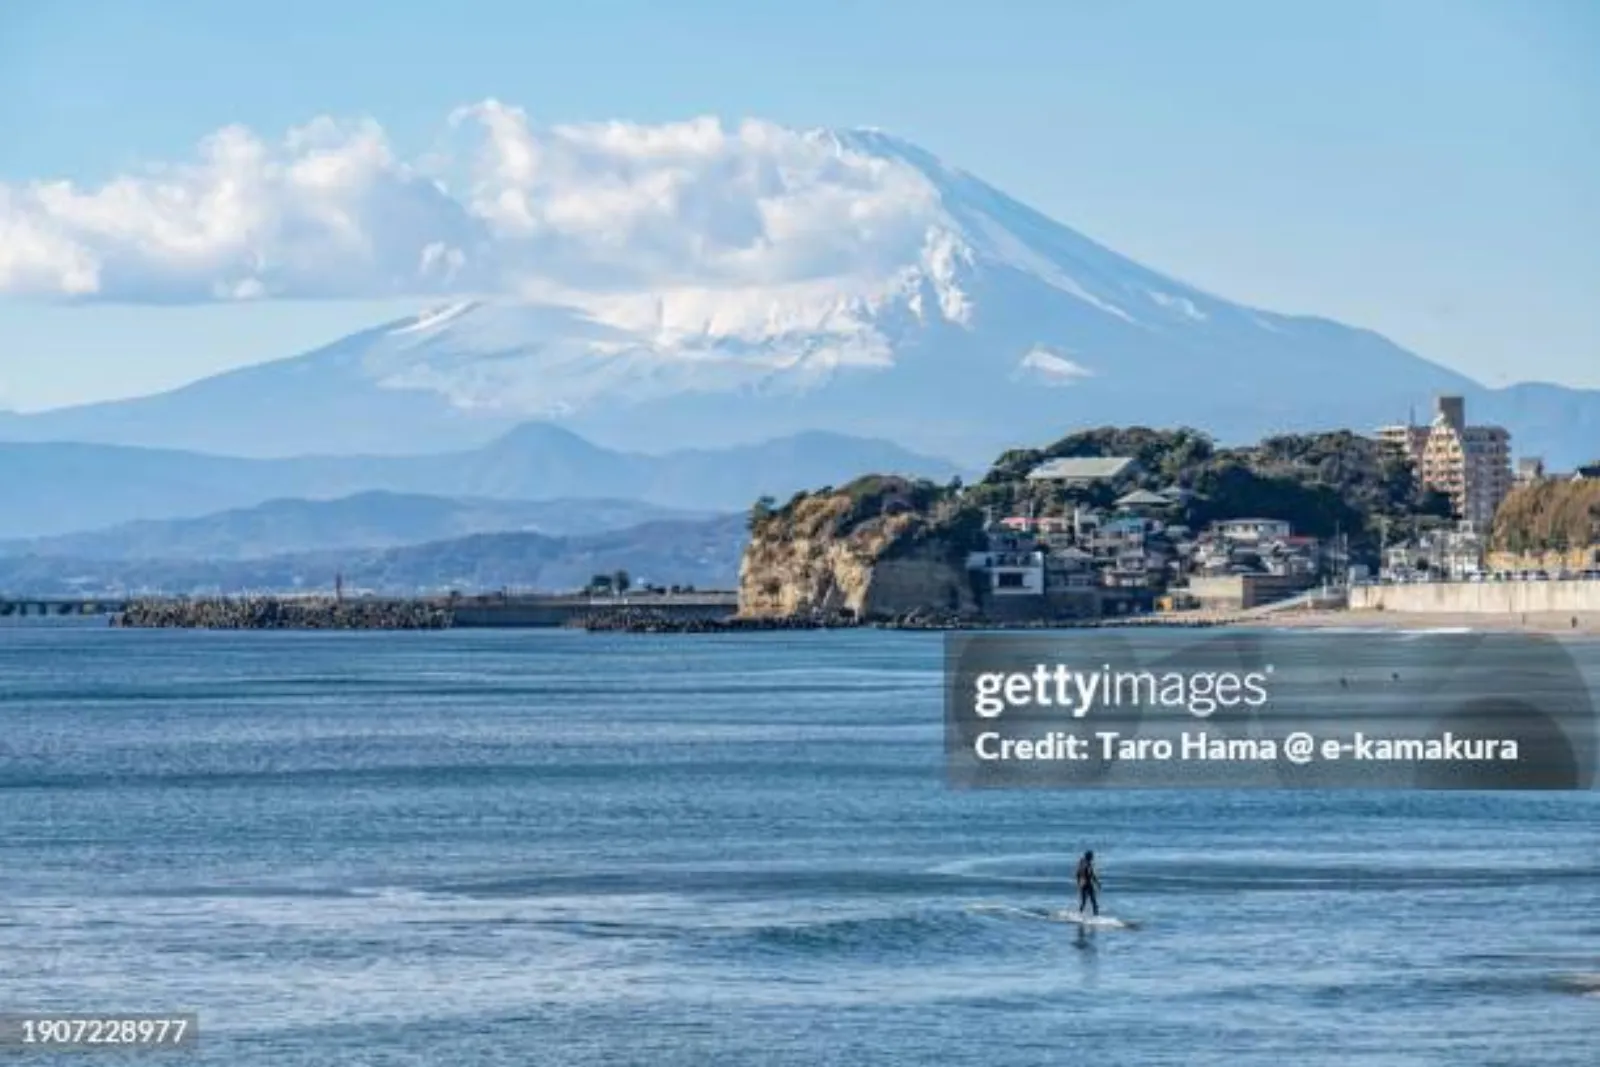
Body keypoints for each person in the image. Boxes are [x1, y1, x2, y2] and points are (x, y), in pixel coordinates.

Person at [1075, 850, 1102, 916]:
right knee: (1093, 902)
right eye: (1092, 856)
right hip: (1088, 884)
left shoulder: (1082, 864)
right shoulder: (1087, 865)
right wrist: (1097, 883)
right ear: (1089, 857)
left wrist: (1079, 883)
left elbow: (1078, 874)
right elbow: (1092, 875)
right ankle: (1096, 915)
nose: (1093, 858)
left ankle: (1079, 914)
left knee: (1084, 902)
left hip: (1083, 885)